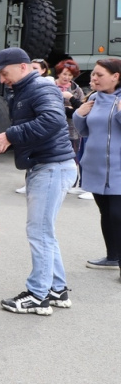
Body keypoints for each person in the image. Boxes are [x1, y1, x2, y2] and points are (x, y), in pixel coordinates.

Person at [0, 47, 76, 315]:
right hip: (48, 166)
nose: (2, 79)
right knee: (45, 232)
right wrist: (8, 137)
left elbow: (52, 120)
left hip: (51, 167)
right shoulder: (27, 90)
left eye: (4, 73)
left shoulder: (40, 88)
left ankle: (38, 295)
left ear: (23, 67)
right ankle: (57, 289)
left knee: (40, 233)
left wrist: (11, 134)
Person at [72, 57, 121, 270]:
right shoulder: (93, 98)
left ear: (116, 77)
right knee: (106, 213)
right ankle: (112, 257)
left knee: (117, 214)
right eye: (93, 74)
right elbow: (84, 132)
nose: (94, 78)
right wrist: (78, 115)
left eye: (99, 75)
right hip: (95, 167)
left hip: (118, 169)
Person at [54, 58, 88, 197]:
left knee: (71, 157)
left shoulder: (76, 89)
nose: (67, 78)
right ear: (58, 73)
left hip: (72, 129)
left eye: (70, 75)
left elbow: (81, 108)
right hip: (53, 128)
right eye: (64, 74)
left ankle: (70, 183)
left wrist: (69, 104)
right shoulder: (50, 86)